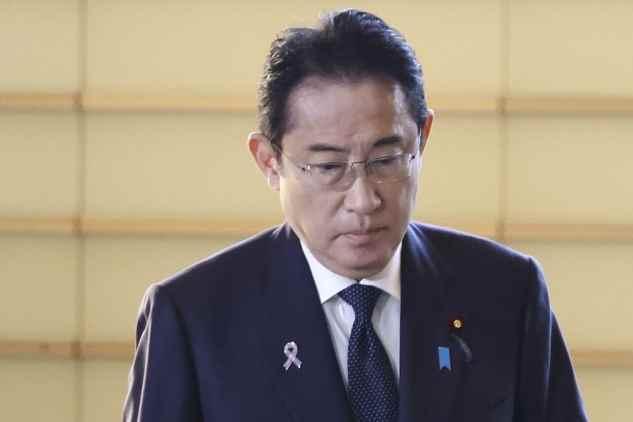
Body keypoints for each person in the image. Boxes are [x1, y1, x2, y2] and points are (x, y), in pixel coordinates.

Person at [123, 9, 587, 422]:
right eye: (328, 167)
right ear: (269, 161)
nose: (363, 200)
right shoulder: (194, 319)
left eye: (386, 160)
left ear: (423, 138)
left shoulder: (507, 292)